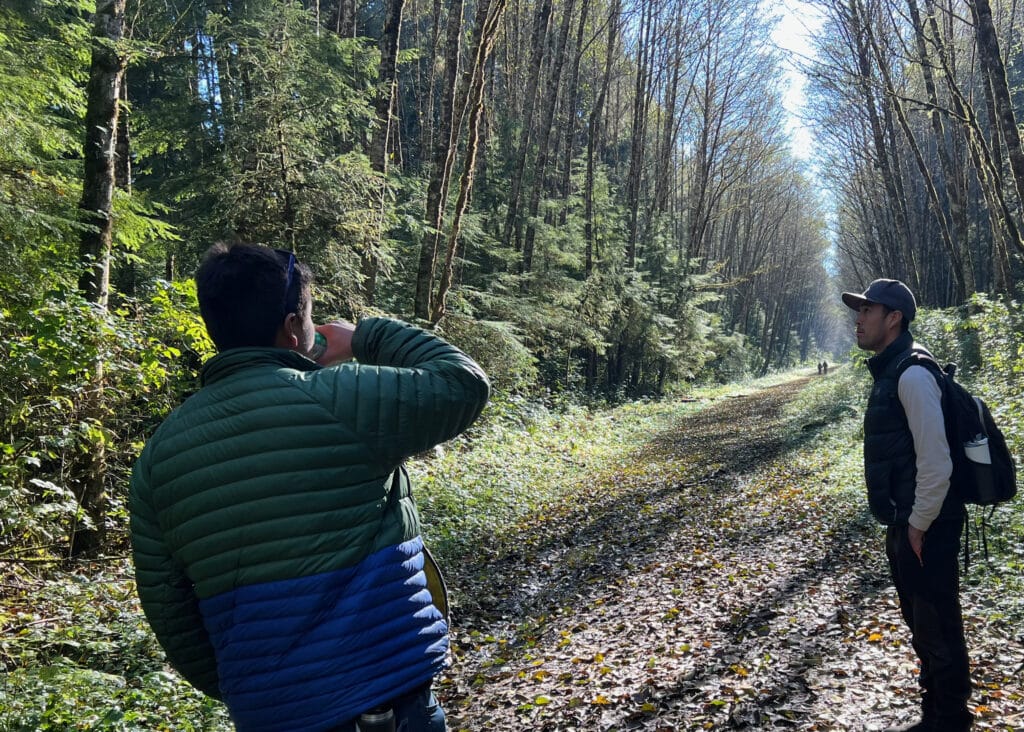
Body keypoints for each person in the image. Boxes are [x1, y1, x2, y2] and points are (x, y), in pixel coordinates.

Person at [129, 242, 490, 732]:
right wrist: (365, 337)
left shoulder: (158, 455)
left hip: (270, 712)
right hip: (388, 700)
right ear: (293, 325)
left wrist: (261, 685)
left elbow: (169, 609)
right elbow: (463, 382)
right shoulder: (339, 399)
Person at [841, 279, 972, 732]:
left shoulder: (913, 374)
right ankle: (934, 711)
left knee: (937, 622)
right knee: (921, 620)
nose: (858, 319)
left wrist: (917, 524)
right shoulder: (892, 370)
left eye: (867, 310)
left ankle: (951, 719)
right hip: (910, 520)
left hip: (927, 521)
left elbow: (936, 461)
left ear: (893, 317)